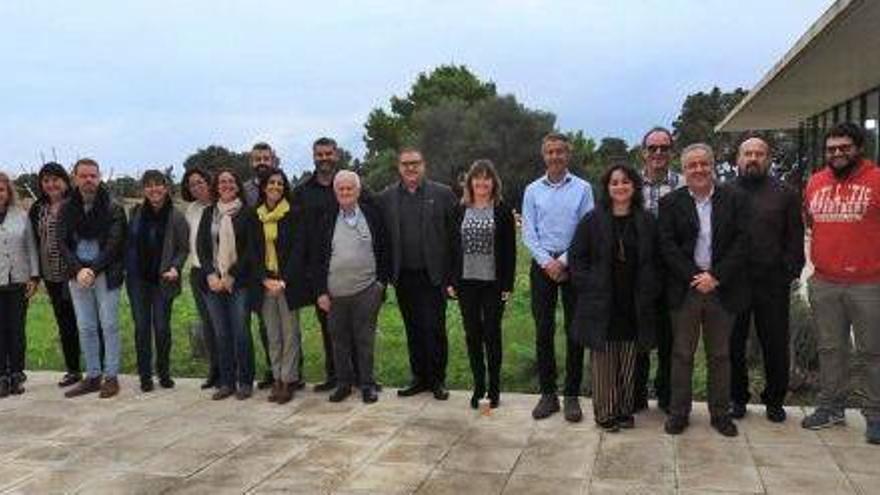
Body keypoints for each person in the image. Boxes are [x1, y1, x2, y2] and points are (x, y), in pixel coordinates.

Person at [658, 144, 749, 437]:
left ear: (713, 166)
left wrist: (716, 277)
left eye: (704, 164)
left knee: (720, 355)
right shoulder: (670, 202)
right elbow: (667, 246)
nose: (698, 169)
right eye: (691, 165)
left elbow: (742, 242)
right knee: (682, 354)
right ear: (683, 171)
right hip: (686, 289)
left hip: (722, 289)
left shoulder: (735, 198)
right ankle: (679, 413)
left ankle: (720, 414)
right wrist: (696, 277)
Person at [801, 123, 880, 445]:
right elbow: (810, 223)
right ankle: (831, 406)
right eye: (832, 149)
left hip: (869, 282)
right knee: (830, 349)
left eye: (844, 147)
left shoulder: (876, 180)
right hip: (825, 281)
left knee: (872, 352)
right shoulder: (815, 182)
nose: (837, 153)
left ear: (858, 147)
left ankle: (875, 414)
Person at [570, 164, 658, 432]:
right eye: (614, 182)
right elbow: (576, 259)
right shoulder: (593, 220)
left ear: (635, 186)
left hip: (635, 302)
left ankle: (624, 409)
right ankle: (605, 412)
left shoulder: (646, 220)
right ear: (607, 188)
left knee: (629, 360)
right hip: (601, 302)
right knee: (604, 361)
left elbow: (656, 260)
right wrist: (590, 285)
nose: (620, 186)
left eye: (625, 182)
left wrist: (652, 288)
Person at [729, 137, 805, 423]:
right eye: (747, 153)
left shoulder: (785, 193)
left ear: (768, 159)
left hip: (772, 281)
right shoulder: (724, 191)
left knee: (774, 343)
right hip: (734, 281)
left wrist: (789, 272)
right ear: (738, 159)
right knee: (733, 343)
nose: (753, 158)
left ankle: (774, 400)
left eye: (759, 154)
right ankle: (737, 398)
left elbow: (795, 238)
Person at [522, 133, 594, 422]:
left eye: (560, 152)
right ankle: (548, 394)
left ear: (568, 155)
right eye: (550, 152)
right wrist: (547, 262)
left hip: (573, 265)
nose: (555, 156)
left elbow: (587, 228)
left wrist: (563, 261)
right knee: (543, 330)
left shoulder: (583, 188)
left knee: (574, 331)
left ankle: (571, 396)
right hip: (542, 267)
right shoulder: (532, 190)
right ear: (544, 155)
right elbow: (528, 231)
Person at [378, 147, 457, 400]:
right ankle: (419, 378)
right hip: (404, 276)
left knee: (434, 328)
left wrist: (452, 277)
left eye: (415, 163)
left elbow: (454, 238)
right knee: (412, 328)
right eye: (405, 164)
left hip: (434, 276)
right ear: (398, 167)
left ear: (424, 165)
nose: (410, 168)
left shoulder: (443, 194)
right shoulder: (387, 197)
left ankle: (437, 380)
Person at [313, 171, 389, 404]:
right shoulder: (326, 218)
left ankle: (367, 385)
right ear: (335, 193)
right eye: (341, 189)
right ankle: (344, 384)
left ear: (357, 191)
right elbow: (315, 259)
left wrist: (380, 284)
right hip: (335, 294)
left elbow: (385, 248)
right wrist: (321, 292)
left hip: (367, 290)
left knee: (365, 340)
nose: (345, 193)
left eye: (349, 189)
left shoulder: (372, 215)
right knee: (339, 341)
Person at [449, 160, 516, 409]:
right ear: (470, 183)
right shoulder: (459, 210)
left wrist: (507, 284)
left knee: (492, 334)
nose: (482, 183)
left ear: (493, 183)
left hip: (493, 284)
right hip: (466, 283)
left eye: (487, 178)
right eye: (477, 178)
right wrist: (451, 280)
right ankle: (478, 386)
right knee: (473, 335)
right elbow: (451, 248)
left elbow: (509, 251)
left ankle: (494, 387)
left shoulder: (502, 211)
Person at [58, 158, 128, 399]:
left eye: (93, 176)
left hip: (106, 273)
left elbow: (115, 243)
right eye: (84, 176)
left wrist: (92, 269)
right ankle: (93, 375)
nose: (89, 180)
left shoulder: (113, 207)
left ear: (99, 178)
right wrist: (78, 270)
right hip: (78, 275)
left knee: (109, 325)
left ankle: (111, 377)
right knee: (86, 327)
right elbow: (62, 243)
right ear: (75, 178)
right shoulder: (67, 208)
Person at [196, 168, 260, 400]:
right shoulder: (209, 213)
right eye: (222, 181)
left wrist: (231, 275)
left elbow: (251, 250)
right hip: (212, 284)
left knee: (241, 332)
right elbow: (202, 248)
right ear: (216, 186)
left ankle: (245, 381)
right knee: (221, 333)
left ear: (237, 185)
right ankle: (226, 382)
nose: (227, 184)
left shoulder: (247, 213)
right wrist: (211, 274)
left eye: (231, 181)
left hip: (239, 282)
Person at [125, 170, 189, 392]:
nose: (154, 189)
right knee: (141, 328)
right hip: (137, 281)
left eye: (158, 184)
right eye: (149, 185)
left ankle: (164, 372)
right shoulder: (135, 213)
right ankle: (145, 375)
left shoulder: (176, 216)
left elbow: (183, 248)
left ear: (166, 187)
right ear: (144, 189)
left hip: (163, 281)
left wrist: (175, 267)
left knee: (162, 328)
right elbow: (129, 243)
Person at [635, 127, 682, 412]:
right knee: (639, 336)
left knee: (669, 338)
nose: (658, 153)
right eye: (653, 148)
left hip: (673, 273)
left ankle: (665, 395)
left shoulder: (684, 184)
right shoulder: (630, 185)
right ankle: (637, 395)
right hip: (639, 274)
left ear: (671, 152)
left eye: (664, 148)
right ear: (644, 152)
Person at [291, 137, 343, 393]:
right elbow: (297, 235)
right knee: (328, 327)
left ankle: (359, 376)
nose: (324, 158)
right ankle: (334, 376)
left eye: (328, 154)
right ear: (314, 157)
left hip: (348, 267)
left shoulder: (348, 185)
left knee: (353, 325)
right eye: (319, 154)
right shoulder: (301, 192)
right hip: (318, 271)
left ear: (337, 155)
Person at [255, 169, 310, 404]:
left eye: (279, 183)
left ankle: (289, 380)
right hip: (265, 282)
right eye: (271, 183)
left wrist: (283, 280)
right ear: (264, 186)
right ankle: (276, 378)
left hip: (288, 283)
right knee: (273, 334)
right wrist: (264, 279)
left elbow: (299, 250)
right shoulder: (254, 215)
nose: (275, 186)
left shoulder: (294, 213)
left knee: (290, 334)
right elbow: (251, 253)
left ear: (284, 187)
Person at [28, 162, 81, 387]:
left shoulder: (76, 204)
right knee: (65, 322)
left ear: (65, 181)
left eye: (55, 179)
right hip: (51, 276)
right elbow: (33, 241)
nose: (51, 184)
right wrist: (35, 275)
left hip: (76, 274)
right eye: (46, 180)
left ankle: (100, 370)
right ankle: (74, 370)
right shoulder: (37, 208)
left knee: (88, 321)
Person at [0, 172, 39, 397]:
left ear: (8, 192)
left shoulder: (21, 216)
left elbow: (31, 247)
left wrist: (34, 277)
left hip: (18, 281)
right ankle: (1, 376)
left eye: (1, 189)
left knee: (16, 330)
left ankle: (16, 374)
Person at [245, 142, 279, 391]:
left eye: (266, 158)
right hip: (253, 265)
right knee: (264, 323)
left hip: (279, 264)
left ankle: (291, 371)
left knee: (287, 323)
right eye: (257, 159)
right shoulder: (244, 190)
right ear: (251, 162)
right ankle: (271, 368)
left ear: (273, 160)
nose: (262, 163)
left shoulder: (283, 187)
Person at [181, 167, 219, 389]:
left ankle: (228, 369)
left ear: (209, 181)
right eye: (191, 184)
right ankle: (214, 369)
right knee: (208, 324)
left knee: (220, 324)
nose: (196, 187)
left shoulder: (219, 206)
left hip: (216, 272)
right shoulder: (192, 209)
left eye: (200, 182)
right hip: (197, 272)